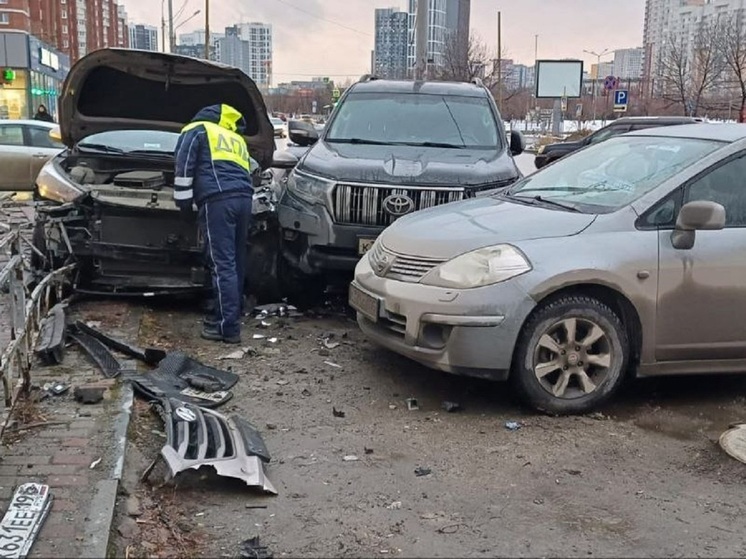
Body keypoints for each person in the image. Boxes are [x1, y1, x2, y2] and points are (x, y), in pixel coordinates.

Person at [174, 103, 253, 344]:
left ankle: (227, 328)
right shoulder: (235, 138)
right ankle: (231, 314)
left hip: (218, 200)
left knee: (222, 264)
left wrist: (184, 205)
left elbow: (184, 166)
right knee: (236, 262)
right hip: (244, 199)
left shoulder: (196, 129)